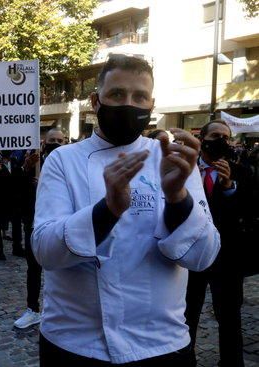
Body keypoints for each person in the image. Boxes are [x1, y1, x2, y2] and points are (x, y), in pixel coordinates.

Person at [32, 54, 220, 366]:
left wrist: (178, 198)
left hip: (161, 343)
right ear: (96, 101)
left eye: (140, 97)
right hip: (75, 342)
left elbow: (203, 256)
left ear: (151, 104)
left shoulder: (171, 160)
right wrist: (107, 210)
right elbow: (45, 251)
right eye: (117, 94)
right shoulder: (63, 161)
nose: (128, 104)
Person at [184, 120, 249, 367]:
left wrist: (228, 187)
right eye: (215, 135)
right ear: (203, 139)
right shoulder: (186, 170)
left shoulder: (240, 171)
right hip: (191, 255)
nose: (221, 140)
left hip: (227, 257)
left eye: (226, 136)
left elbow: (247, 210)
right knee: (187, 314)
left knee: (230, 317)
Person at [14, 129, 65, 329]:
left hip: (61, 222)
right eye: (52, 140)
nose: (56, 144)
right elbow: (15, 188)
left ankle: (61, 310)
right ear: (44, 142)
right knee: (33, 267)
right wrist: (26, 170)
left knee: (62, 269)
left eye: (60, 141)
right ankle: (33, 309)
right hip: (34, 221)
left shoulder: (70, 163)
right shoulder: (34, 161)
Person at [0, 150, 25, 260]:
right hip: (0, 199)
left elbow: (17, 179)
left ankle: (17, 247)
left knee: (17, 224)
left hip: (14, 199)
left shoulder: (14, 161)